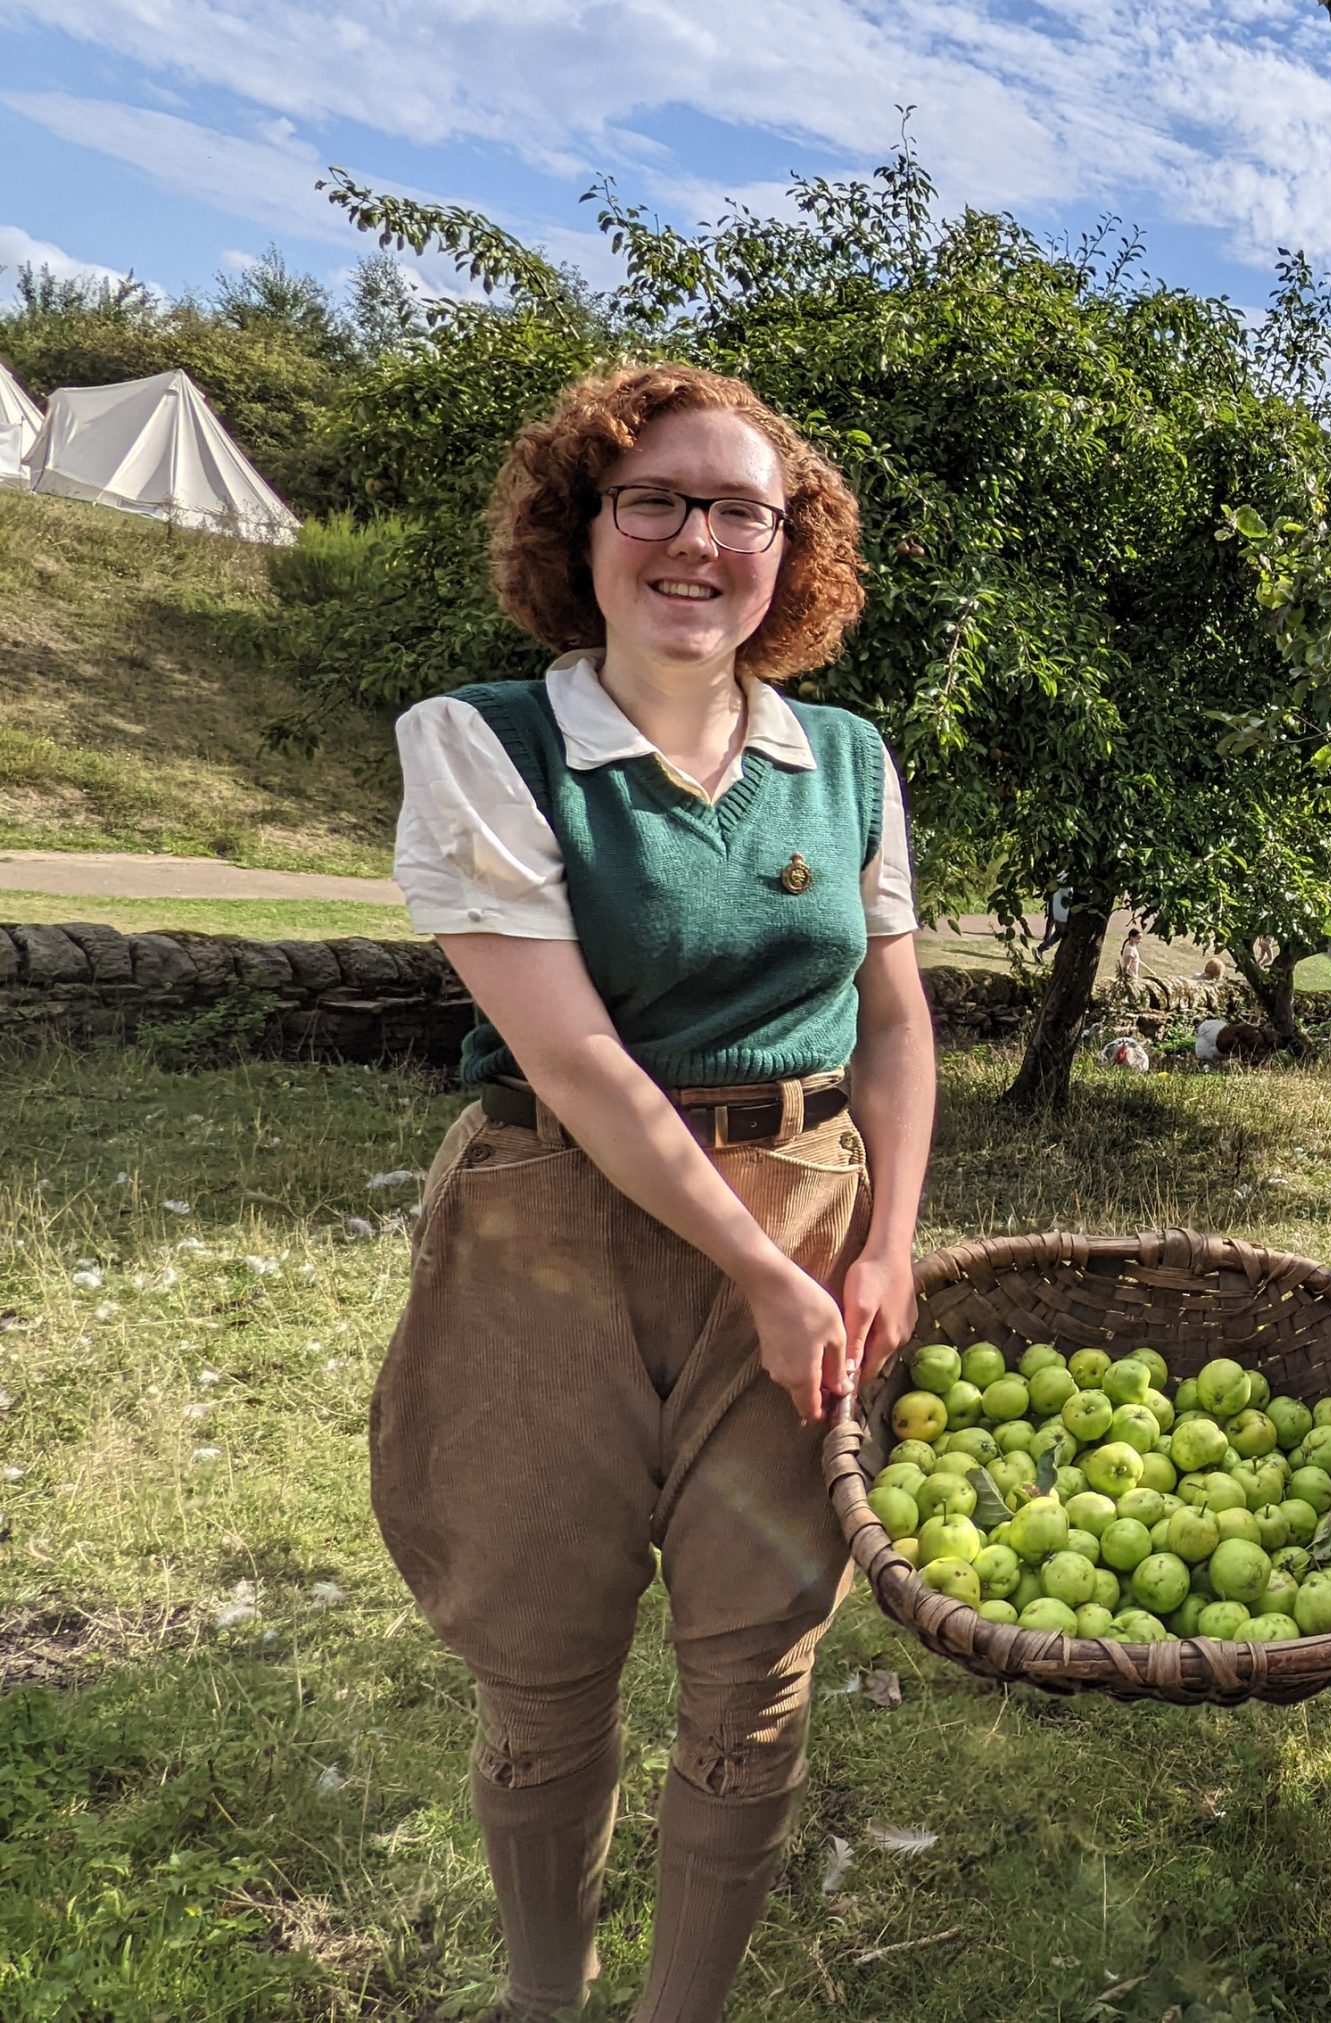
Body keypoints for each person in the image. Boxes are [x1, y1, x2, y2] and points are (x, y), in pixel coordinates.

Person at [369, 363, 936, 2022]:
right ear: (585, 526)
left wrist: (884, 1240)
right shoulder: (484, 742)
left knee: (756, 1666)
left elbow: (894, 1015)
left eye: (740, 511)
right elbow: (586, 1067)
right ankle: (553, 1999)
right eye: (657, 503)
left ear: (790, 550)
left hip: (812, 1215)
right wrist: (763, 1272)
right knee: (545, 1667)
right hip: (553, 1228)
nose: (698, 541)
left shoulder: (843, 757)